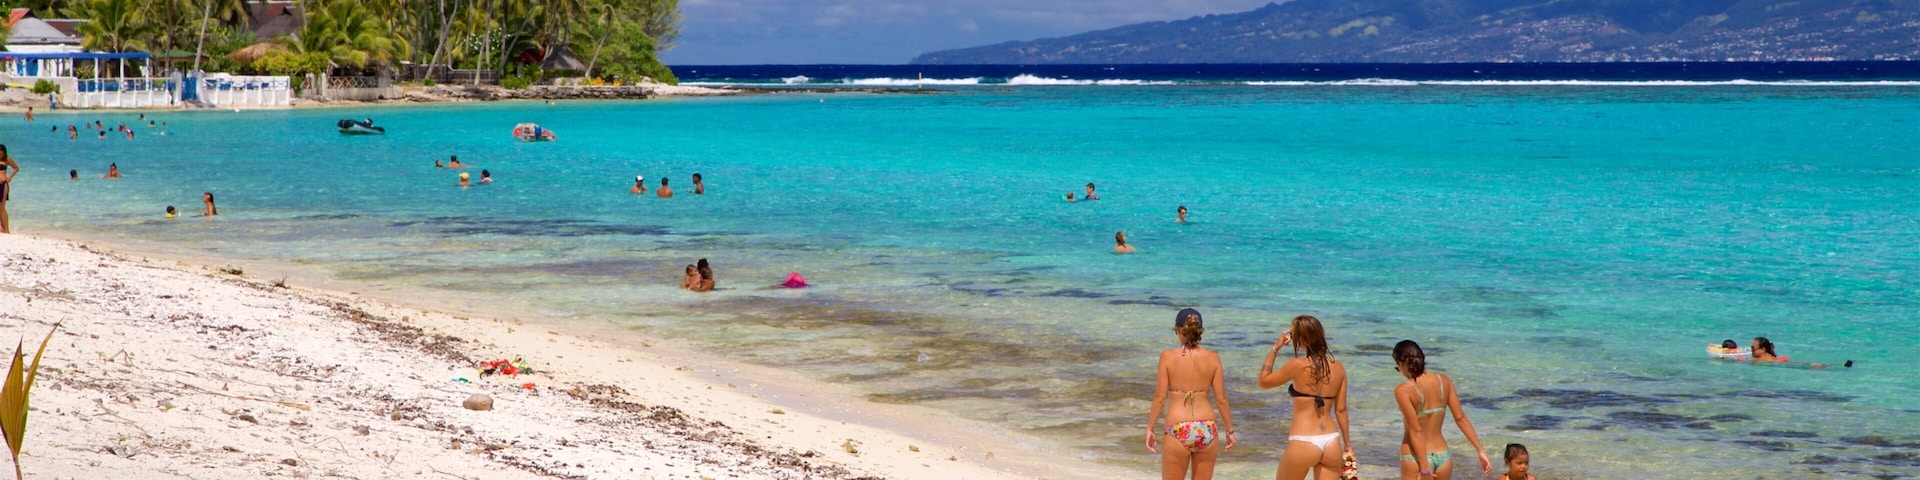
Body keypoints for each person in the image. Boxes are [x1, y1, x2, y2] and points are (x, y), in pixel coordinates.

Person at [1146, 308, 1236, 480]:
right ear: (1200, 331)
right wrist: (1230, 431)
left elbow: (1159, 398)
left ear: (1179, 330)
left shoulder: (1167, 357)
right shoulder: (1213, 358)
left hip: (1178, 428)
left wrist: (1150, 428)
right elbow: (1221, 399)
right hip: (1207, 428)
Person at [1258, 315, 1352, 480]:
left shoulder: (1298, 365)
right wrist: (1348, 446)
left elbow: (1264, 381)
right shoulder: (1339, 367)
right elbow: (1341, 410)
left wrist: (1275, 348)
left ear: (1302, 339)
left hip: (1304, 440)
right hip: (1331, 441)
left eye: (1294, 336)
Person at [1392, 340, 1492, 480]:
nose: (1399, 370)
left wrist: (1425, 468)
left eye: (1397, 366)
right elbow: (1460, 418)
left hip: (1416, 458)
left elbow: (1416, 430)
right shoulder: (1444, 380)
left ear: (1401, 362)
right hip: (1443, 457)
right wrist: (1480, 451)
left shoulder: (1403, 390)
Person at [1750, 337, 1849, 368]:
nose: (1751, 350)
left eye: (1753, 348)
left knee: (1803, 365)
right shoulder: (1771, 356)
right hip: (1780, 361)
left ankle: (1836, 365)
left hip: (1778, 363)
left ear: (1762, 349)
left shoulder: (1757, 361)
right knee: (1803, 363)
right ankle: (1838, 364)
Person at [0, 145, 15, 234]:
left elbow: (16, 168)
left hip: (3, 185)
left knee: (2, 208)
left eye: (2, 153)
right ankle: (2, 227)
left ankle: (6, 230)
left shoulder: (7, 159)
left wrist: (10, 177)